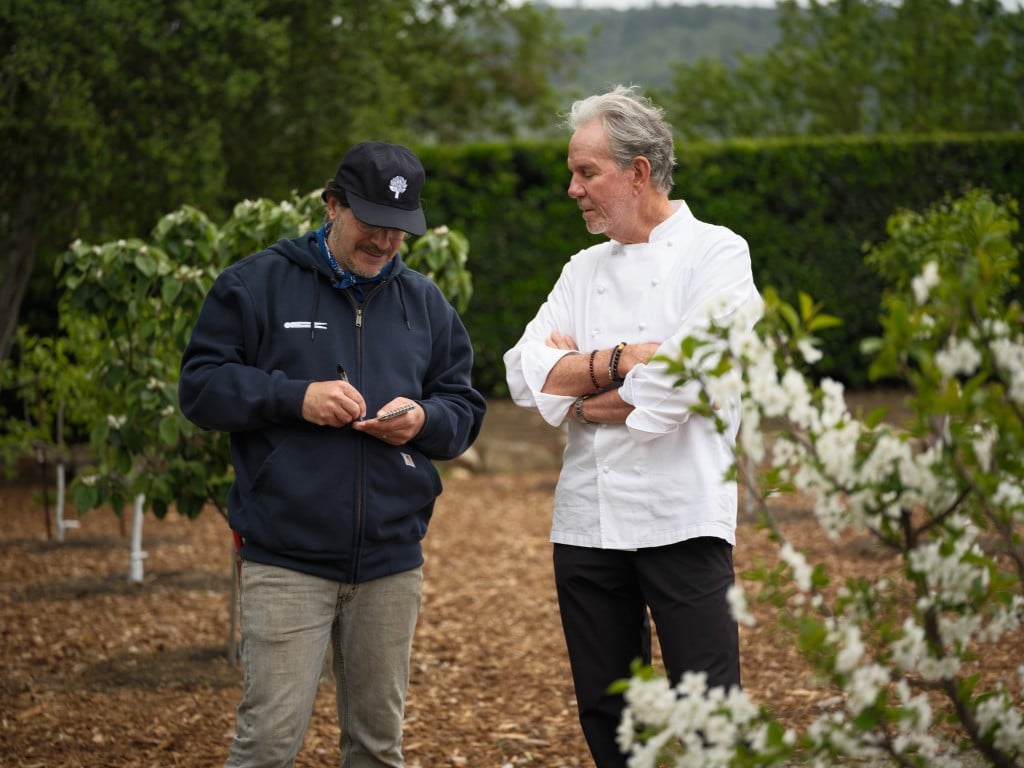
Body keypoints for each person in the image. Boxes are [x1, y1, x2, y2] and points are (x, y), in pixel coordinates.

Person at [179, 141, 486, 768]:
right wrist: (296, 398)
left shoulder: (424, 304)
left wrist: (423, 420)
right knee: (267, 745)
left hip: (391, 566)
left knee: (377, 749)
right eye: (371, 222)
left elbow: (464, 408)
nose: (384, 241)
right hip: (286, 561)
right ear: (332, 205)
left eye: (399, 229)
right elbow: (201, 387)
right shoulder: (254, 284)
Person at [503, 86, 762, 767]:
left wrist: (579, 392)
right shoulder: (581, 270)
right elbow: (521, 373)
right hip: (586, 523)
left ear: (639, 172)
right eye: (573, 172)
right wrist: (622, 361)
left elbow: (690, 381)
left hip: (682, 518)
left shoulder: (717, 254)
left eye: (586, 172)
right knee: (609, 714)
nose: (572, 189)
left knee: (708, 712)